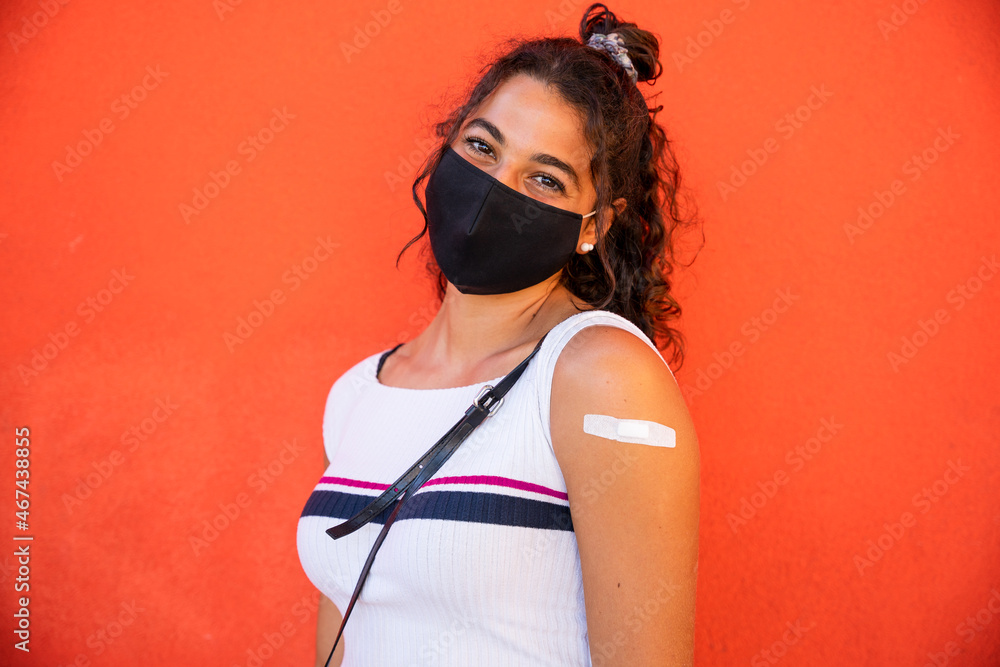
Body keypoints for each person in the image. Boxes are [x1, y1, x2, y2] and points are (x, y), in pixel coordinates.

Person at [296, 3, 702, 665]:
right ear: (447, 143)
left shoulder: (599, 375)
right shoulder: (355, 396)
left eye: (544, 178)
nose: (493, 189)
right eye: (482, 147)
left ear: (595, 223)